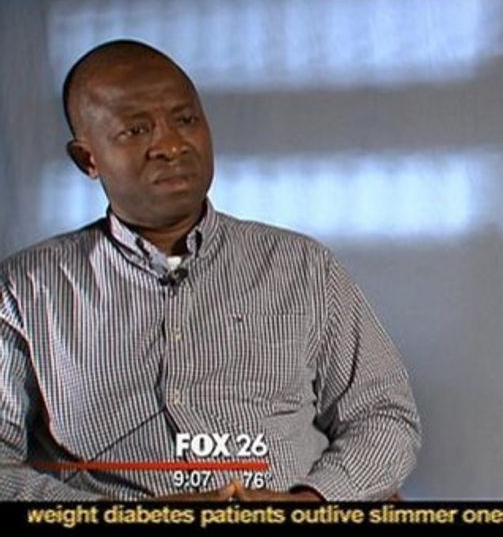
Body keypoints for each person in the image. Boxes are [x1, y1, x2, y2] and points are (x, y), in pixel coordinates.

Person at [0, 40, 421, 501]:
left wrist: (310, 501)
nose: (171, 145)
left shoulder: (302, 267)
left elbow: (384, 415)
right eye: (136, 130)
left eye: (185, 120)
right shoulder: (25, 292)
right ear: (88, 159)